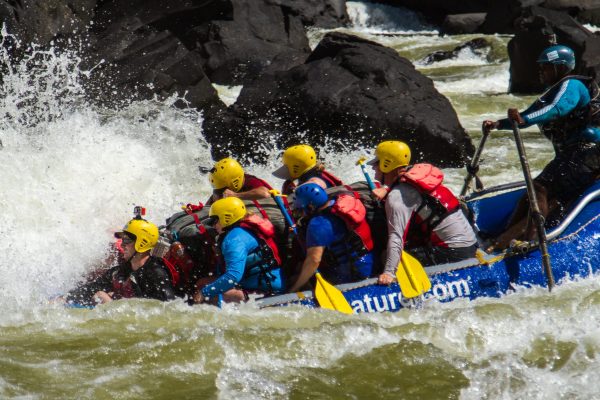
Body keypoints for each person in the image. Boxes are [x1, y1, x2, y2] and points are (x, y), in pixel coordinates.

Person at [482, 44, 600, 249]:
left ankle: (529, 241)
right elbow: (527, 115)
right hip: (572, 156)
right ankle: (501, 240)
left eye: (546, 67)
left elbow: (557, 109)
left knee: (539, 187)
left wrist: (521, 120)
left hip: (588, 153)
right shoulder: (551, 92)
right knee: (532, 195)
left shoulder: (571, 86)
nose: (541, 71)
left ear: (560, 68)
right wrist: (499, 124)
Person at [368, 141, 478, 285]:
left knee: (384, 255)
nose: (372, 166)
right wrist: (386, 189)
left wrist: (389, 272)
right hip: (471, 244)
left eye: (376, 163)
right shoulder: (413, 177)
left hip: (453, 253)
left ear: (386, 165)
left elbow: (396, 237)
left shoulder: (397, 197)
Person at [65, 216, 176, 306]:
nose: (122, 245)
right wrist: (64, 299)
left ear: (143, 243)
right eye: (122, 240)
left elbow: (167, 311)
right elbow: (92, 288)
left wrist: (111, 304)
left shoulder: (156, 274)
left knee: (101, 296)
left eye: (127, 240)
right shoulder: (121, 271)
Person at [193, 197, 284, 304]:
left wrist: (204, 293)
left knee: (211, 297)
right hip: (263, 280)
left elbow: (233, 277)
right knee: (201, 283)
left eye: (215, 220)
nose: (213, 225)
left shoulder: (234, 239)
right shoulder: (243, 228)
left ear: (227, 218)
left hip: (267, 288)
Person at [288, 183, 374, 292]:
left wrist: (295, 288)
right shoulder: (336, 203)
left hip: (350, 273)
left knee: (298, 280)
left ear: (310, 206)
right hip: (367, 263)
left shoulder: (318, 223)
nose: (301, 213)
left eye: (301, 210)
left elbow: (314, 260)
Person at [272, 144, 343, 195]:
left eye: (286, 166)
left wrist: (294, 190)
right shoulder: (314, 173)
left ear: (296, 167)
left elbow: (315, 185)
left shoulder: (315, 181)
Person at [206, 157, 273, 205]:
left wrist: (235, 195)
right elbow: (206, 208)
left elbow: (265, 194)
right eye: (219, 189)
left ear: (235, 182)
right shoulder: (220, 189)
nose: (222, 191)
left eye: (223, 189)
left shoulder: (251, 181)